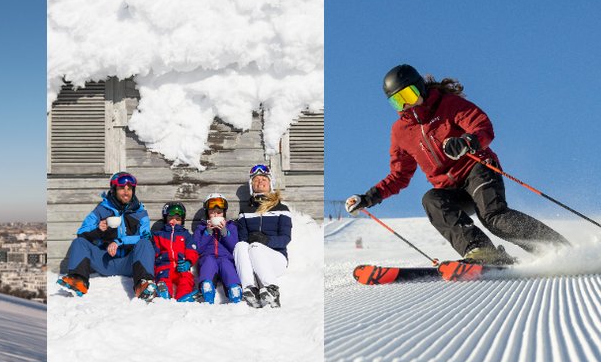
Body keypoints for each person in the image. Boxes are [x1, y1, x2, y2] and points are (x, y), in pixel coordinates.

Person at [346, 64, 569, 265]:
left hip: (478, 169)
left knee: (493, 216)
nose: (406, 105)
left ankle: (558, 249)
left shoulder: (448, 105)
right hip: (450, 189)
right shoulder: (400, 132)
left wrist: (467, 142)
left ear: (421, 88)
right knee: (431, 200)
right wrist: (368, 197)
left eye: (409, 95)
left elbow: (482, 126)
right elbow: (399, 176)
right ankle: (482, 251)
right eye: (397, 100)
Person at [56, 171, 157, 301]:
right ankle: (78, 280)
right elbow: (82, 231)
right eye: (122, 188)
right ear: (114, 189)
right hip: (105, 261)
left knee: (145, 244)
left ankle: (144, 285)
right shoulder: (101, 210)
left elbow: (146, 236)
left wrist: (119, 241)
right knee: (79, 242)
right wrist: (98, 230)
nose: (126, 192)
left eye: (129, 188)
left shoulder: (140, 213)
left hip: (129, 262)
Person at [234, 164, 292, 308]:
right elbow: (242, 238)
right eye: (256, 180)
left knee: (256, 247)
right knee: (240, 245)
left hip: (276, 259)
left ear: (270, 183)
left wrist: (266, 240)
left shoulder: (281, 209)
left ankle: (272, 290)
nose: (260, 181)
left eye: (263, 179)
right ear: (251, 185)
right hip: (253, 260)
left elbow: (286, 238)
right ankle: (250, 289)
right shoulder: (245, 211)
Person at [193, 193, 242, 304]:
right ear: (207, 214)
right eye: (212, 213)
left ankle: (234, 290)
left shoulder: (231, 226)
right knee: (208, 264)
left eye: (219, 213)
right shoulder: (201, 228)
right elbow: (198, 248)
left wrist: (225, 233)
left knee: (228, 268)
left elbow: (235, 247)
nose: (215, 216)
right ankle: (207, 289)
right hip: (208, 257)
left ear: (224, 213)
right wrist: (207, 233)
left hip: (226, 258)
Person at [151, 202, 199, 302]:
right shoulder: (159, 235)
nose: (174, 221)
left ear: (182, 220)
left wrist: (188, 262)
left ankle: (183, 296)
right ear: (165, 219)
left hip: (180, 266)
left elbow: (192, 251)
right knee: (164, 278)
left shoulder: (186, 235)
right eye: (171, 218)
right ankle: (164, 293)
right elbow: (154, 253)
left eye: (178, 219)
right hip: (164, 266)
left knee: (186, 278)